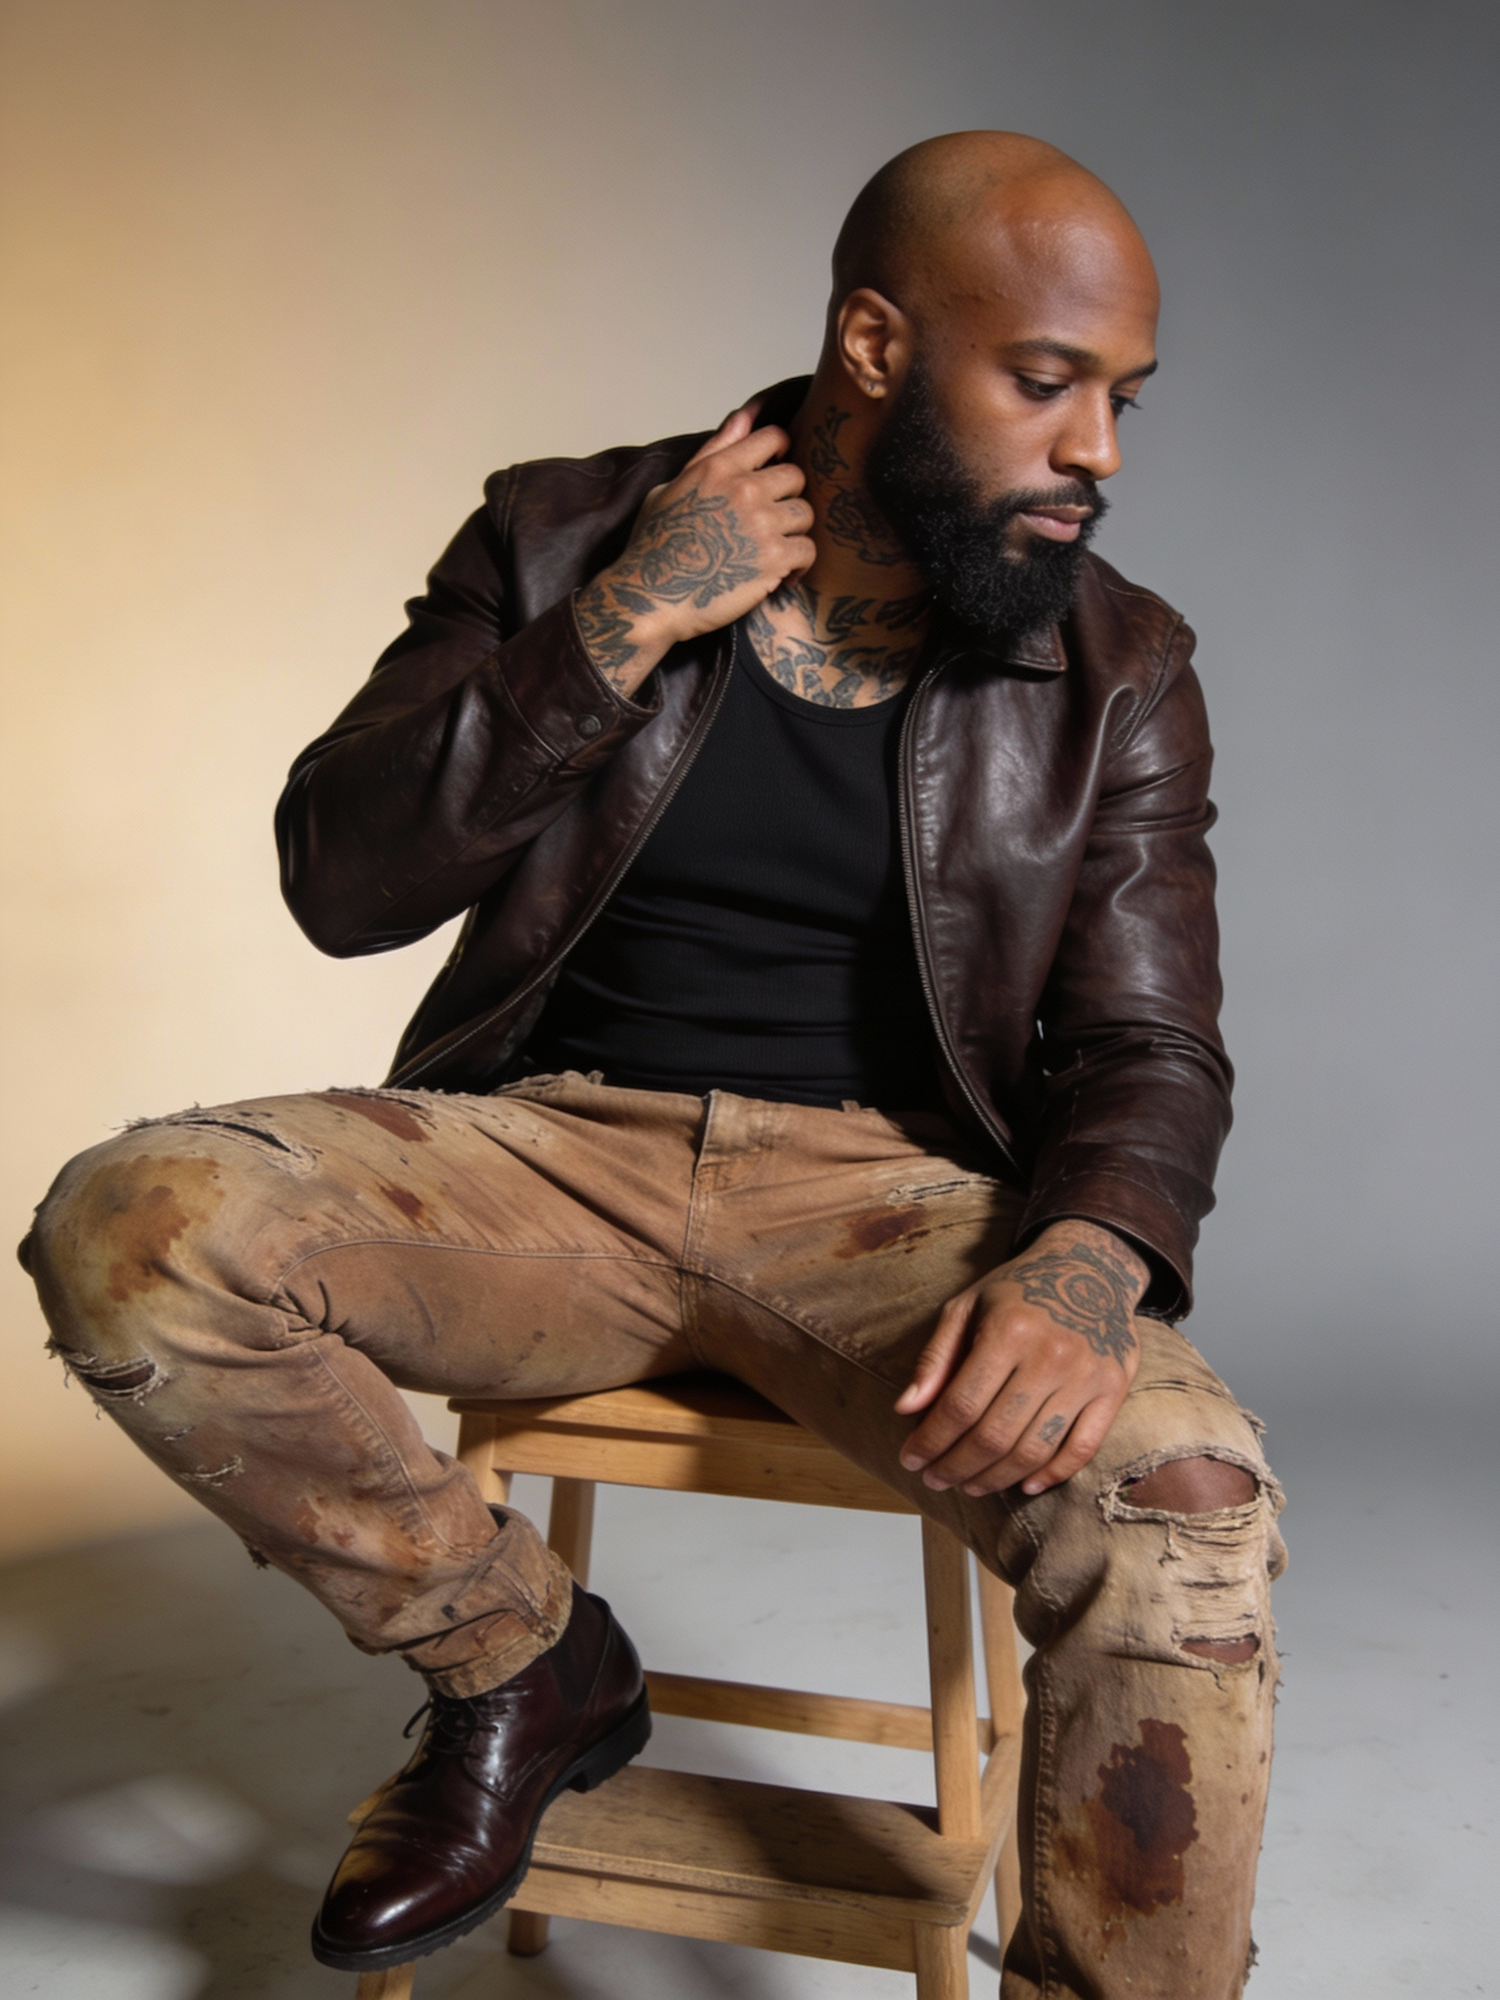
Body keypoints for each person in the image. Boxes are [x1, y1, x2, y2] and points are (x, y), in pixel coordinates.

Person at [20, 131, 1286, 1998]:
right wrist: (620, 623)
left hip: (888, 1205)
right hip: (542, 1162)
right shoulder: (555, 536)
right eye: (1044, 381)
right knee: (131, 1230)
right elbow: (341, 880)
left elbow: (1153, 1042)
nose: (1097, 447)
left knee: (1183, 1512)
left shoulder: (1120, 666)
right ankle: (526, 1663)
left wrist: (1086, 1258)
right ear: (877, 343)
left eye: (1121, 396)